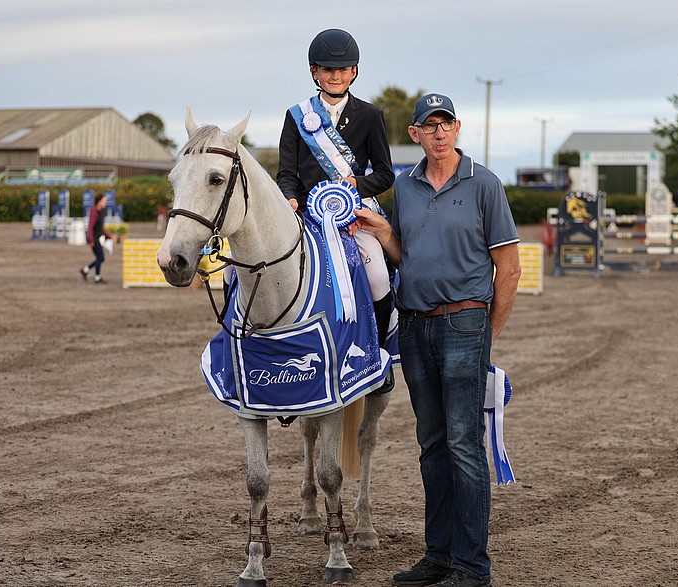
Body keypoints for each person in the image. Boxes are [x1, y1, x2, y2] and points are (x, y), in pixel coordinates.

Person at [352, 93, 522, 587]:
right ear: (416, 135)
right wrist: (383, 232)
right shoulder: (404, 188)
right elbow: (406, 257)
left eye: (446, 124)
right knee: (431, 444)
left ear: (458, 128)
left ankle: (472, 566)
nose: (440, 133)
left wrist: (487, 334)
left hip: (465, 323)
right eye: (430, 125)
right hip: (415, 325)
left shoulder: (484, 183)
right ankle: (439, 556)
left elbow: (508, 269)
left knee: (465, 445)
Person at [277, 28, 395, 348]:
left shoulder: (371, 116)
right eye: (328, 69)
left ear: (354, 72)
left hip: (354, 215)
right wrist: (289, 198)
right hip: (305, 213)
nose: (335, 76)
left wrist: (357, 183)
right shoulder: (296, 116)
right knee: (245, 271)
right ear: (314, 71)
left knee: (378, 277)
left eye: (343, 69)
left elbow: (385, 174)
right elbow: (286, 172)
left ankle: (377, 353)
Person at [80, 192, 112, 284]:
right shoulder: (94, 212)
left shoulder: (100, 211)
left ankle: (86, 270)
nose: (105, 202)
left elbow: (100, 227)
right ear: (99, 201)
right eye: (104, 200)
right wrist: (91, 240)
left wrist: (108, 235)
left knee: (100, 258)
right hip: (93, 238)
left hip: (97, 237)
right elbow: (90, 227)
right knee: (100, 257)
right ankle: (96, 276)